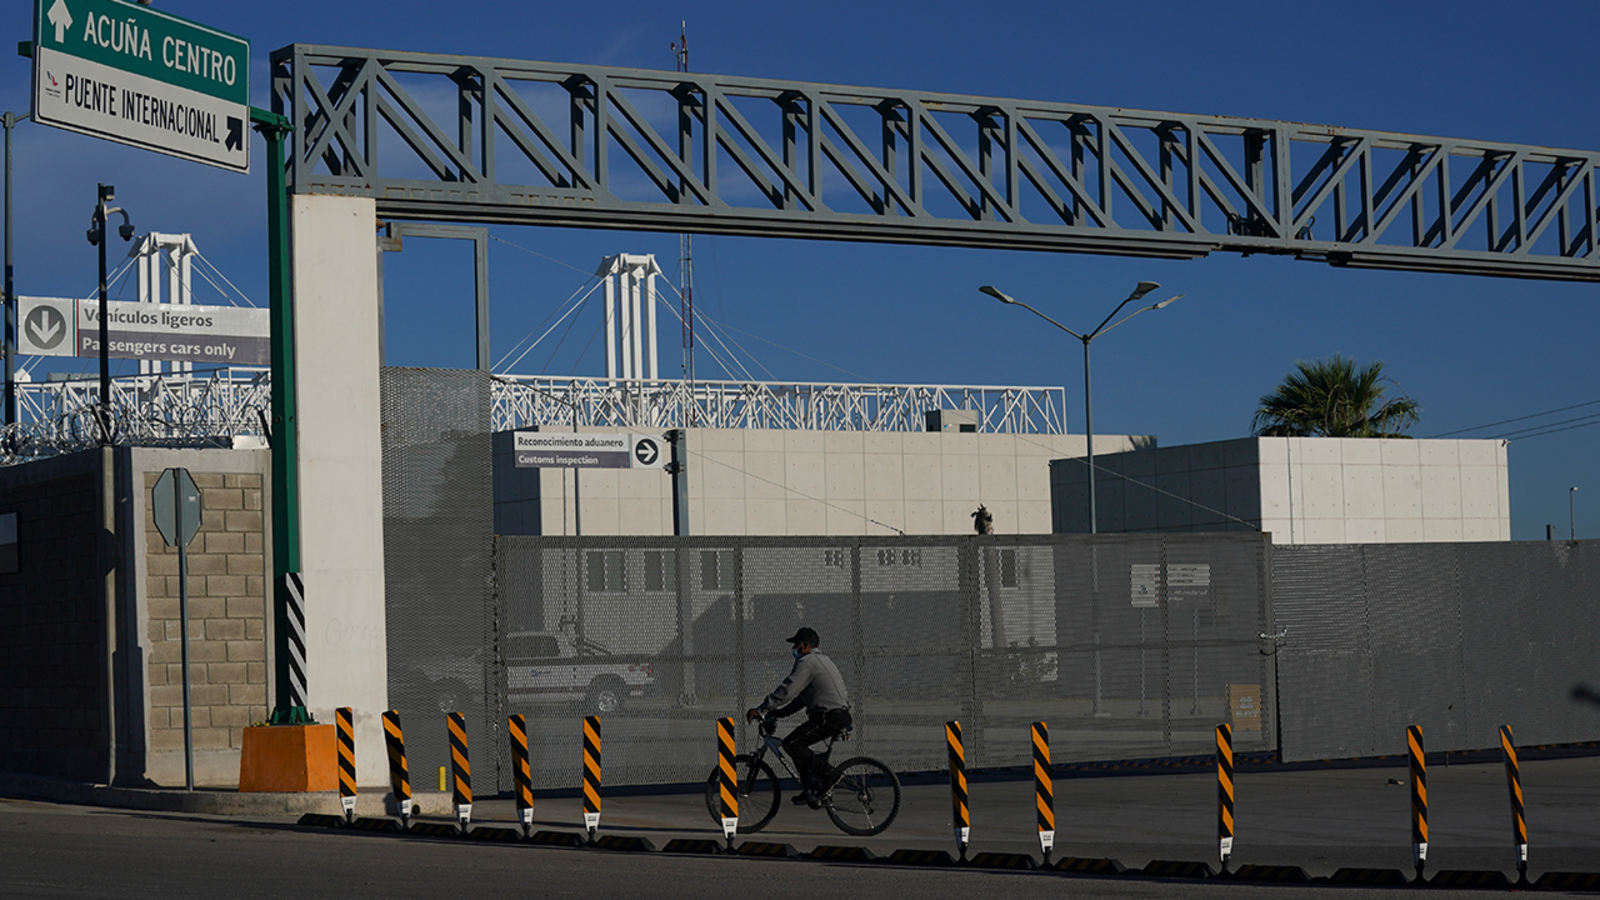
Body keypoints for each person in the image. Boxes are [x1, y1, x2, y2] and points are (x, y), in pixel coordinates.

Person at [746, 627, 852, 807]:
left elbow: (788, 690)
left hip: (827, 717)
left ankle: (831, 775)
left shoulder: (807, 662)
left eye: (796, 645)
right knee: (798, 746)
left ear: (804, 646)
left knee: (792, 744)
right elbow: (801, 699)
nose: (794, 649)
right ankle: (811, 788)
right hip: (839, 715)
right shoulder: (823, 660)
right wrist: (779, 713)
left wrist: (761, 709)